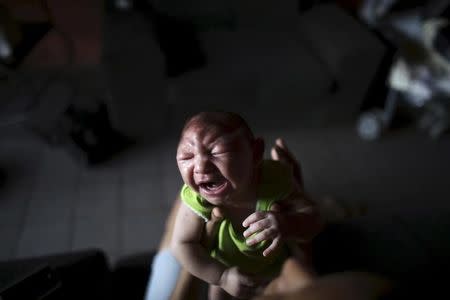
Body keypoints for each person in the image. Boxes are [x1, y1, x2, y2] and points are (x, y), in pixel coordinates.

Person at [169, 111, 323, 299]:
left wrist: (286, 223)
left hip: (274, 265)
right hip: (225, 268)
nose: (201, 167)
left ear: (255, 153)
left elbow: (314, 218)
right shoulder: (197, 197)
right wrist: (222, 277)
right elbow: (181, 245)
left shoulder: (275, 180)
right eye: (187, 156)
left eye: (216, 152)